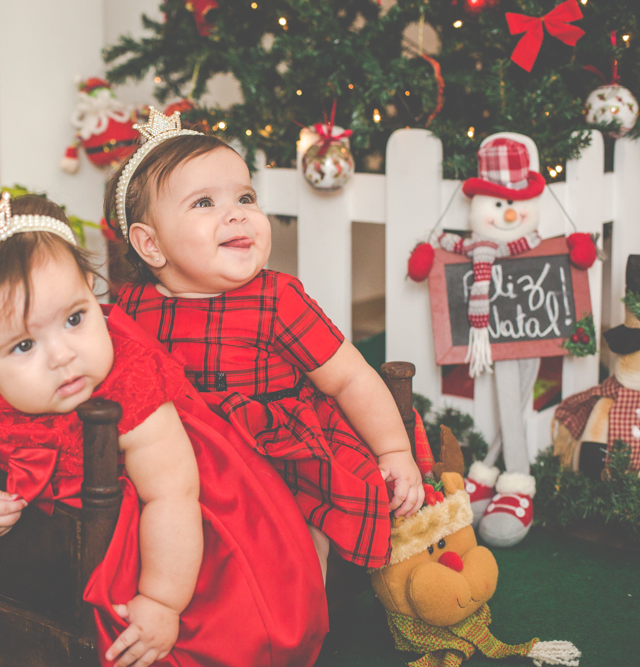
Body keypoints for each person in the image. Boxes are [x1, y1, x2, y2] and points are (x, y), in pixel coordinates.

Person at [0, 191, 327, 666]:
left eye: (75, 318)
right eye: (23, 346)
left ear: (94, 297)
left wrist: (162, 602)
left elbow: (173, 495)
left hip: (169, 522)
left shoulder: (129, 383)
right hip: (39, 526)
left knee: (212, 624)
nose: (64, 356)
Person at [107, 107, 425, 575]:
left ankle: (302, 604)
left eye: (246, 197)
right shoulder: (131, 309)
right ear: (150, 244)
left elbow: (350, 378)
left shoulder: (276, 299)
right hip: (187, 461)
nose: (237, 213)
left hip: (277, 453)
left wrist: (394, 452)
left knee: (299, 531)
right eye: (203, 203)